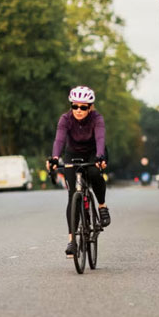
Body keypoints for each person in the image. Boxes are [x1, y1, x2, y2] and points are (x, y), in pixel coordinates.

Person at [46, 86, 111, 256]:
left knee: (95, 174)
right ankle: (72, 241)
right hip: (72, 153)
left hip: (94, 152)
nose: (79, 110)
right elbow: (59, 139)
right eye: (75, 106)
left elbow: (100, 138)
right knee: (73, 194)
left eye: (83, 107)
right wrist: (54, 158)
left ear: (90, 107)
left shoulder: (97, 119)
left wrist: (99, 156)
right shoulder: (65, 119)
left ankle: (102, 206)